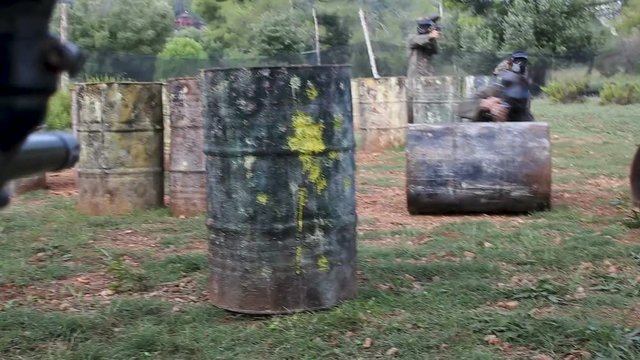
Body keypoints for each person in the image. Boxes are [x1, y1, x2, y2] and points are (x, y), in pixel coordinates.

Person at [457, 70, 535, 122]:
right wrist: (484, 104)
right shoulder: (492, 91)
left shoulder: (524, 98)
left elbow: (527, 122)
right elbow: (461, 108)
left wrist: (504, 120)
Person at [406, 16, 441, 124]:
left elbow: (435, 50)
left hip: (427, 78)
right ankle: (411, 125)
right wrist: (431, 35)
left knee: (427, 105)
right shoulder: (412, 38)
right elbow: (418, 40)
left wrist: (434, 37)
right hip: (415, 78)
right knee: (413, 105)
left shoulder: (428, 41)